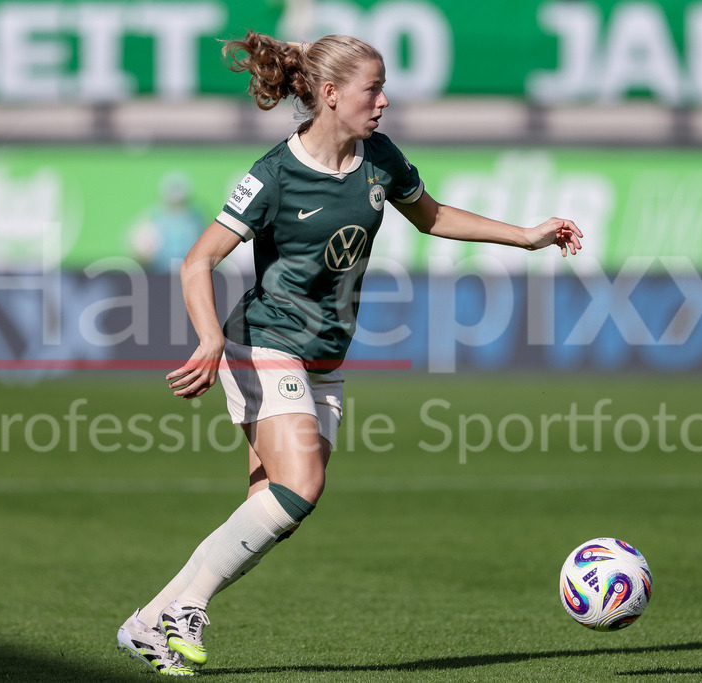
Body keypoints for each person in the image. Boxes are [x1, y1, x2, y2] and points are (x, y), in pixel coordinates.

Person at [116, 31, 583, 676]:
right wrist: (210, 338)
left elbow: (434, 216)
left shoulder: (378, 158)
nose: (385, 101)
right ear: (331, 95)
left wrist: (526, 238)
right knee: (302, 483)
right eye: (373, 88)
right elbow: (198, 261)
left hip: (324, 359)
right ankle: (187, 607)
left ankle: (147, 622)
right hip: (262, 341)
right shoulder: (274, 174)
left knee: (274, 507)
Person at [128, 171, 206, 272]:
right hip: (159, 274)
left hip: (190, 273)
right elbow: (137, 246)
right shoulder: (154, 217)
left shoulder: (196, 218)